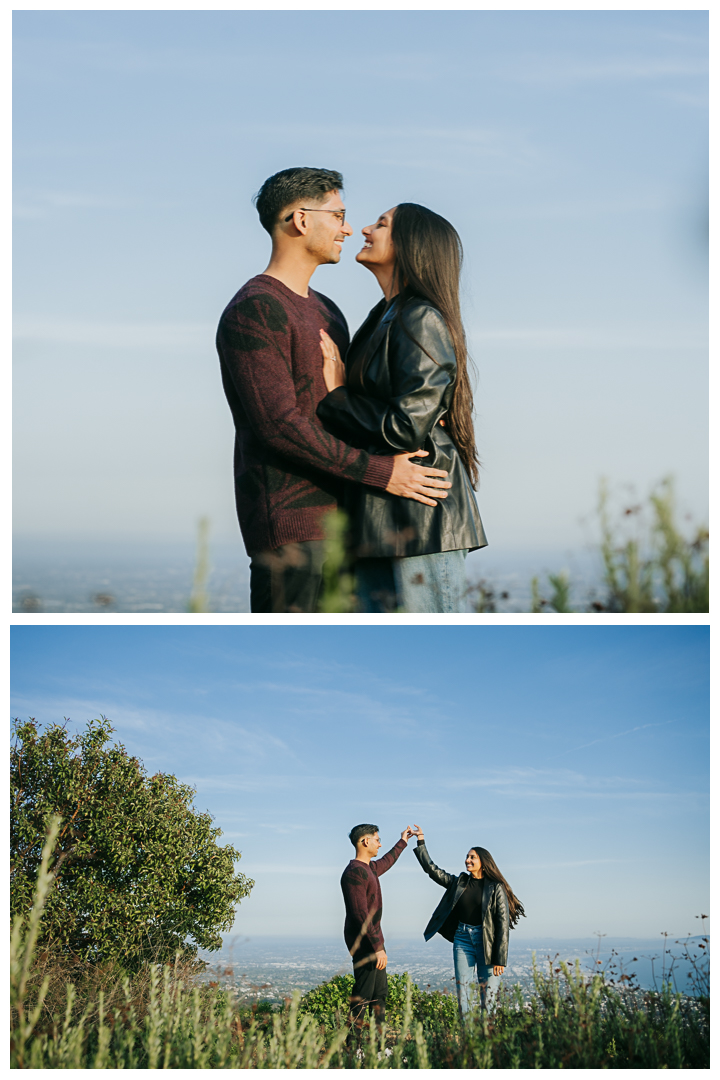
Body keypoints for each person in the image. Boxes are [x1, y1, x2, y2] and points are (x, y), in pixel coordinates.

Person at [216, 169, 452, 613]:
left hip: (354, 526)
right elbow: (279, 426)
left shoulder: (328, 311)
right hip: (293, 532)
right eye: (339, 215)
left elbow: (346, 404)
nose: (349, 227)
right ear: (300, 220)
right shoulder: (255, 308)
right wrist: (382, 473)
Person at [316, 203, 487, 613]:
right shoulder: (385, 316)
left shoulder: (420, 316)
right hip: (379, 515)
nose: (365, 230)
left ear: (411, 245)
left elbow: (404, 427)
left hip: (421, 519)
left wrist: (336, 395)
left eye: (382, 224)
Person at [412, 826, 525, 1016]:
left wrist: (500, 959)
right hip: (462, 939)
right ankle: (467, 1041)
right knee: (462, 994)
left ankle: (486, 1040)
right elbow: (431, 870)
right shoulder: (459, 882)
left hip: (486, 942)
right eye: (467, 856)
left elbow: (502, 925)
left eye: (472, 857)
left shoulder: (495, 888)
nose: (467, 860)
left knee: (488, 998)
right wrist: (421, 841)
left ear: (483, 861)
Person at [340, 823, 413, 1029]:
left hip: (375, 942)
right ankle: (354, 1048)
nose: (380, 845)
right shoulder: (354, 873)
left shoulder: (369, 868)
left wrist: (403, 841)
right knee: (363, 996)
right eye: (377, 840)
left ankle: (378, 1047)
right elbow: (360, 914)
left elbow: (387, 861)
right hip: (365, 944)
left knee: (379, 995)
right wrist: (378, 947)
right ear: (365, 841)